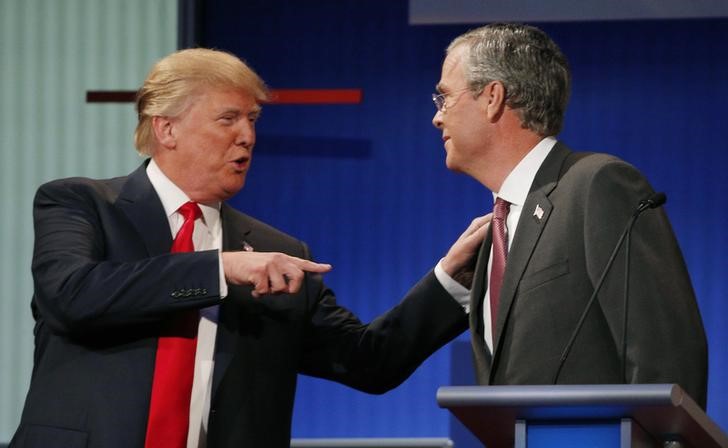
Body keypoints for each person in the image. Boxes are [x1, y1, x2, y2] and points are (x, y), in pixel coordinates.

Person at [10, 48, 488, 448]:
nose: (248, 136)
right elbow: (73, 297)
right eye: (228, 118)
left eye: (253, 119)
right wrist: (220, 269)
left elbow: (369, 361)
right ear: (166, 128)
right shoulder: (82, 203)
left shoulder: (276, 252)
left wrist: (449, 281)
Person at [431, 23, 708, 408]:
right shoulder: (497, 233)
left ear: (492, 97)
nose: (437, 118)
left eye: (444, 98)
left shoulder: (598, 185)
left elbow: (665, 358)